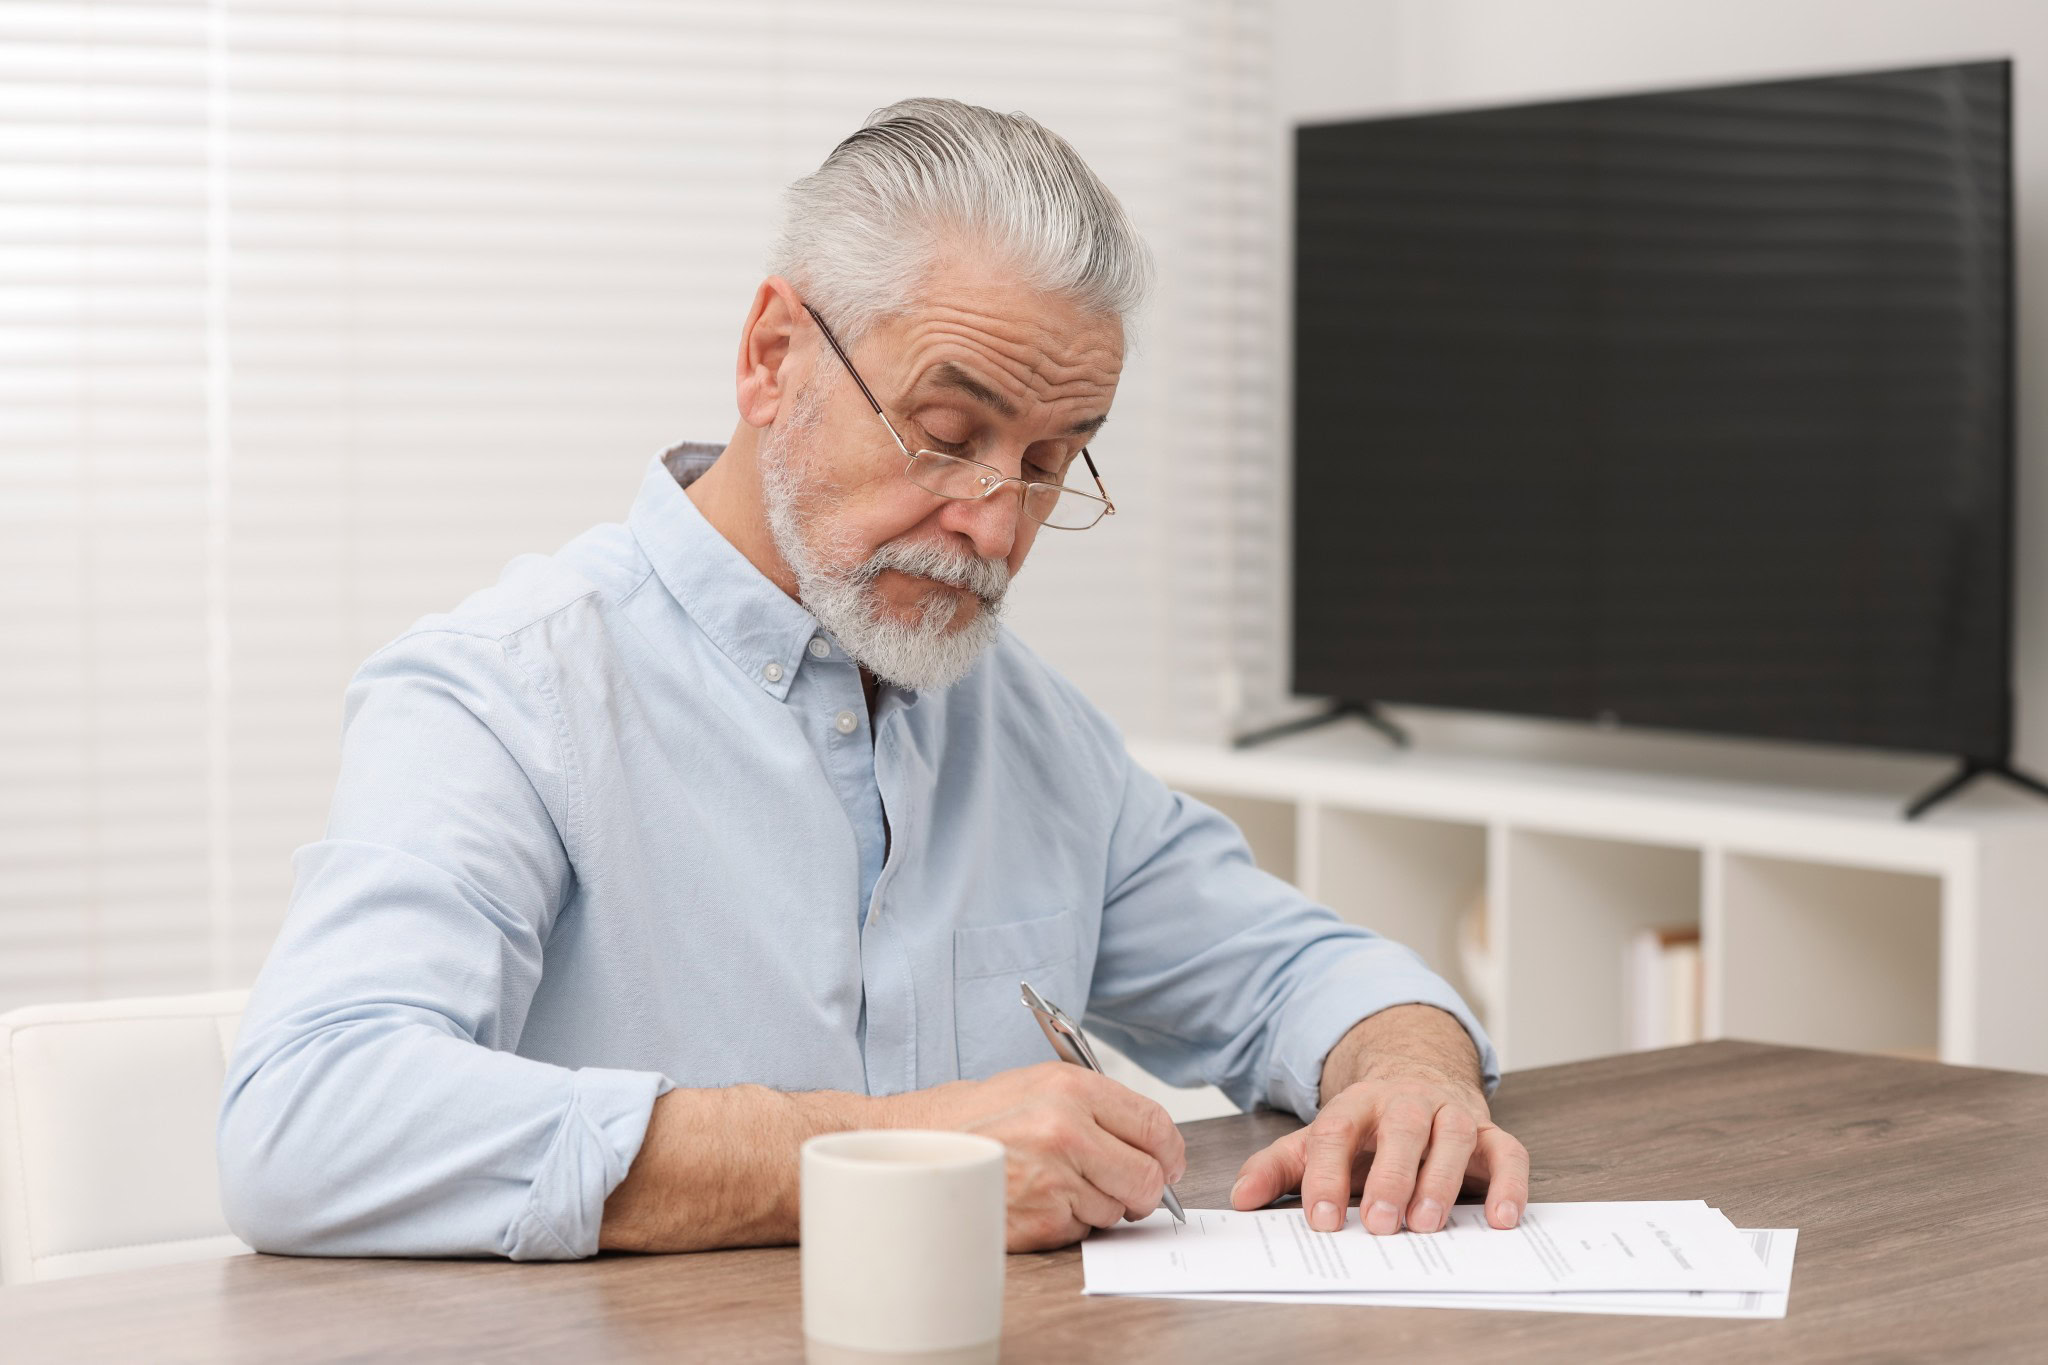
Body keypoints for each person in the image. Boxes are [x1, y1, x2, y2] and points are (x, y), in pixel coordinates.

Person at [217, 97, 1528, 1261]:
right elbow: (307, 1118)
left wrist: (1408, 1074)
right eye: (950, 435)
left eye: (1051, 461)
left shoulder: (1028, 729)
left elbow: (1300, 970)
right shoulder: (507, 693)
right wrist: (891, 1155)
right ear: (773, 355)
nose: (998, 527)